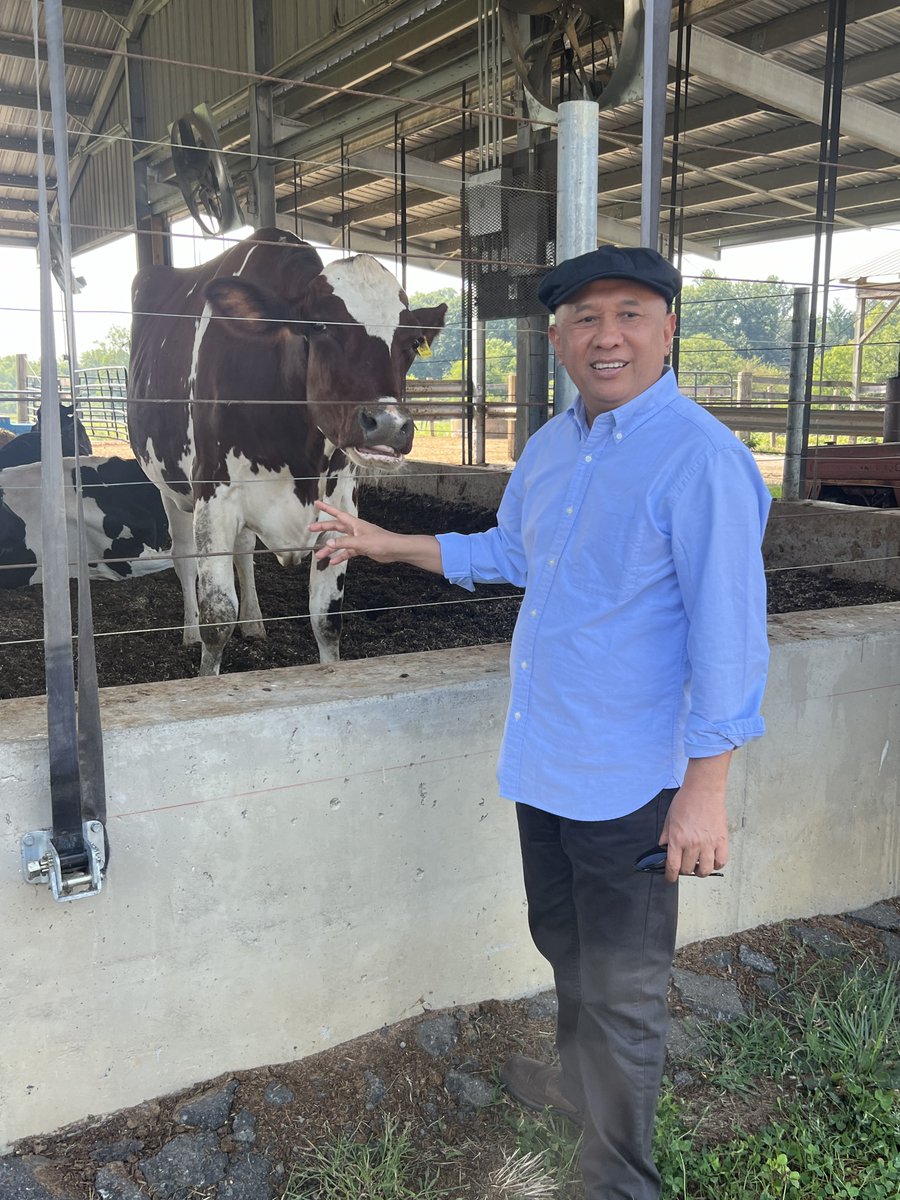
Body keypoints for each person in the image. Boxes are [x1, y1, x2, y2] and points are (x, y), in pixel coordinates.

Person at [309, 244, 770, 1200]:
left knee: (625, 990)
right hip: (548, 758)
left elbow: (730, 637)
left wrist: (705, 791)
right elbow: (512, 553)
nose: (608, 337)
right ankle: (575, 1088)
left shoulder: (703, 460)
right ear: (557, 339)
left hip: (632, 779)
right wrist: (384, 541)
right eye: (585, 318)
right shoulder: (555, 447)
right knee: (565, 944)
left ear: (669, 329)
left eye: (630, 314)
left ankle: (618, 1181)